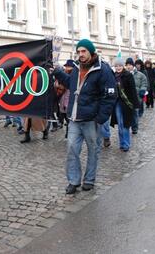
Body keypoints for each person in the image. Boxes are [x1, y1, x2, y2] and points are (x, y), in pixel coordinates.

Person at [53, 39, 116, 194]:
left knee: (93, 151)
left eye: (83, 51)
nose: (80, 54)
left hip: (91, 120)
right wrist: (58, 72)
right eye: (78, 51)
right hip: (74, 119)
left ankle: (89, 180)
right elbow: (71, 84)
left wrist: (100, 118)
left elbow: (110, 96)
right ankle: (73, 181)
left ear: (90, 52)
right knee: (71, 150)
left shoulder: (103, 69)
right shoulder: (75, 67)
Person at [110, 57, 139, 152]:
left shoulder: (128, 75)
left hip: (127, 103)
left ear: (123, 66)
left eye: (120, 65)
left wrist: (135, 104)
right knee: (120, 123)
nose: (118, 67)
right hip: (117, 103)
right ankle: (121, 143)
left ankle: (126, 144)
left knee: (125, 124)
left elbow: (133, 90)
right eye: (116, 66)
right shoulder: (113, 76)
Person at [125, 58, 146, 135]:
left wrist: (142, 90)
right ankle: (126, 127)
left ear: (133, 65)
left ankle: (134, 128)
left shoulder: (140, 75)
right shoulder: (124, 74)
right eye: (127, 65)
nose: (128, 66)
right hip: (126, 98)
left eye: (130, 65)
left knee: (135, 113)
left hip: (136, 97)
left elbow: (144, 83)